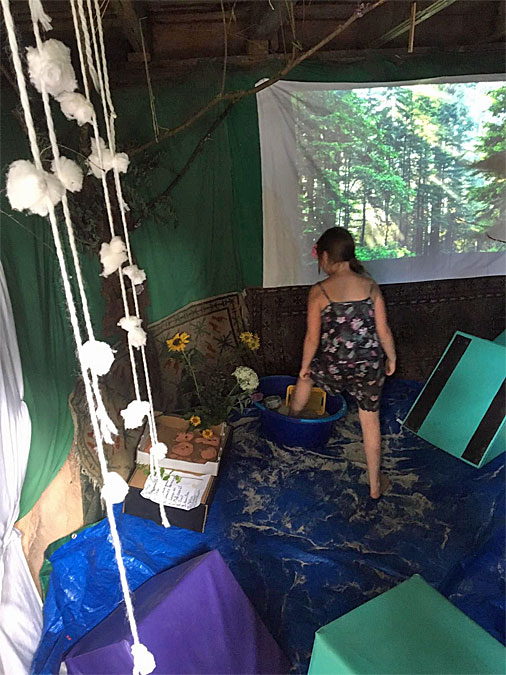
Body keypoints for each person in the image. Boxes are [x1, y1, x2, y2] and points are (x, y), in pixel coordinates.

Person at [289, 227, 396, 499]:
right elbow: (383, 330)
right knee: (370, 421)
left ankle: (290, 420)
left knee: (306, 378)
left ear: (325, 257)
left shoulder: (319, 291)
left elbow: (312, 337)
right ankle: (375, 486)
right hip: (368, 367)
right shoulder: (370, 286)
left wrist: (305, 367)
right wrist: (391, 357)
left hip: (334, 366)